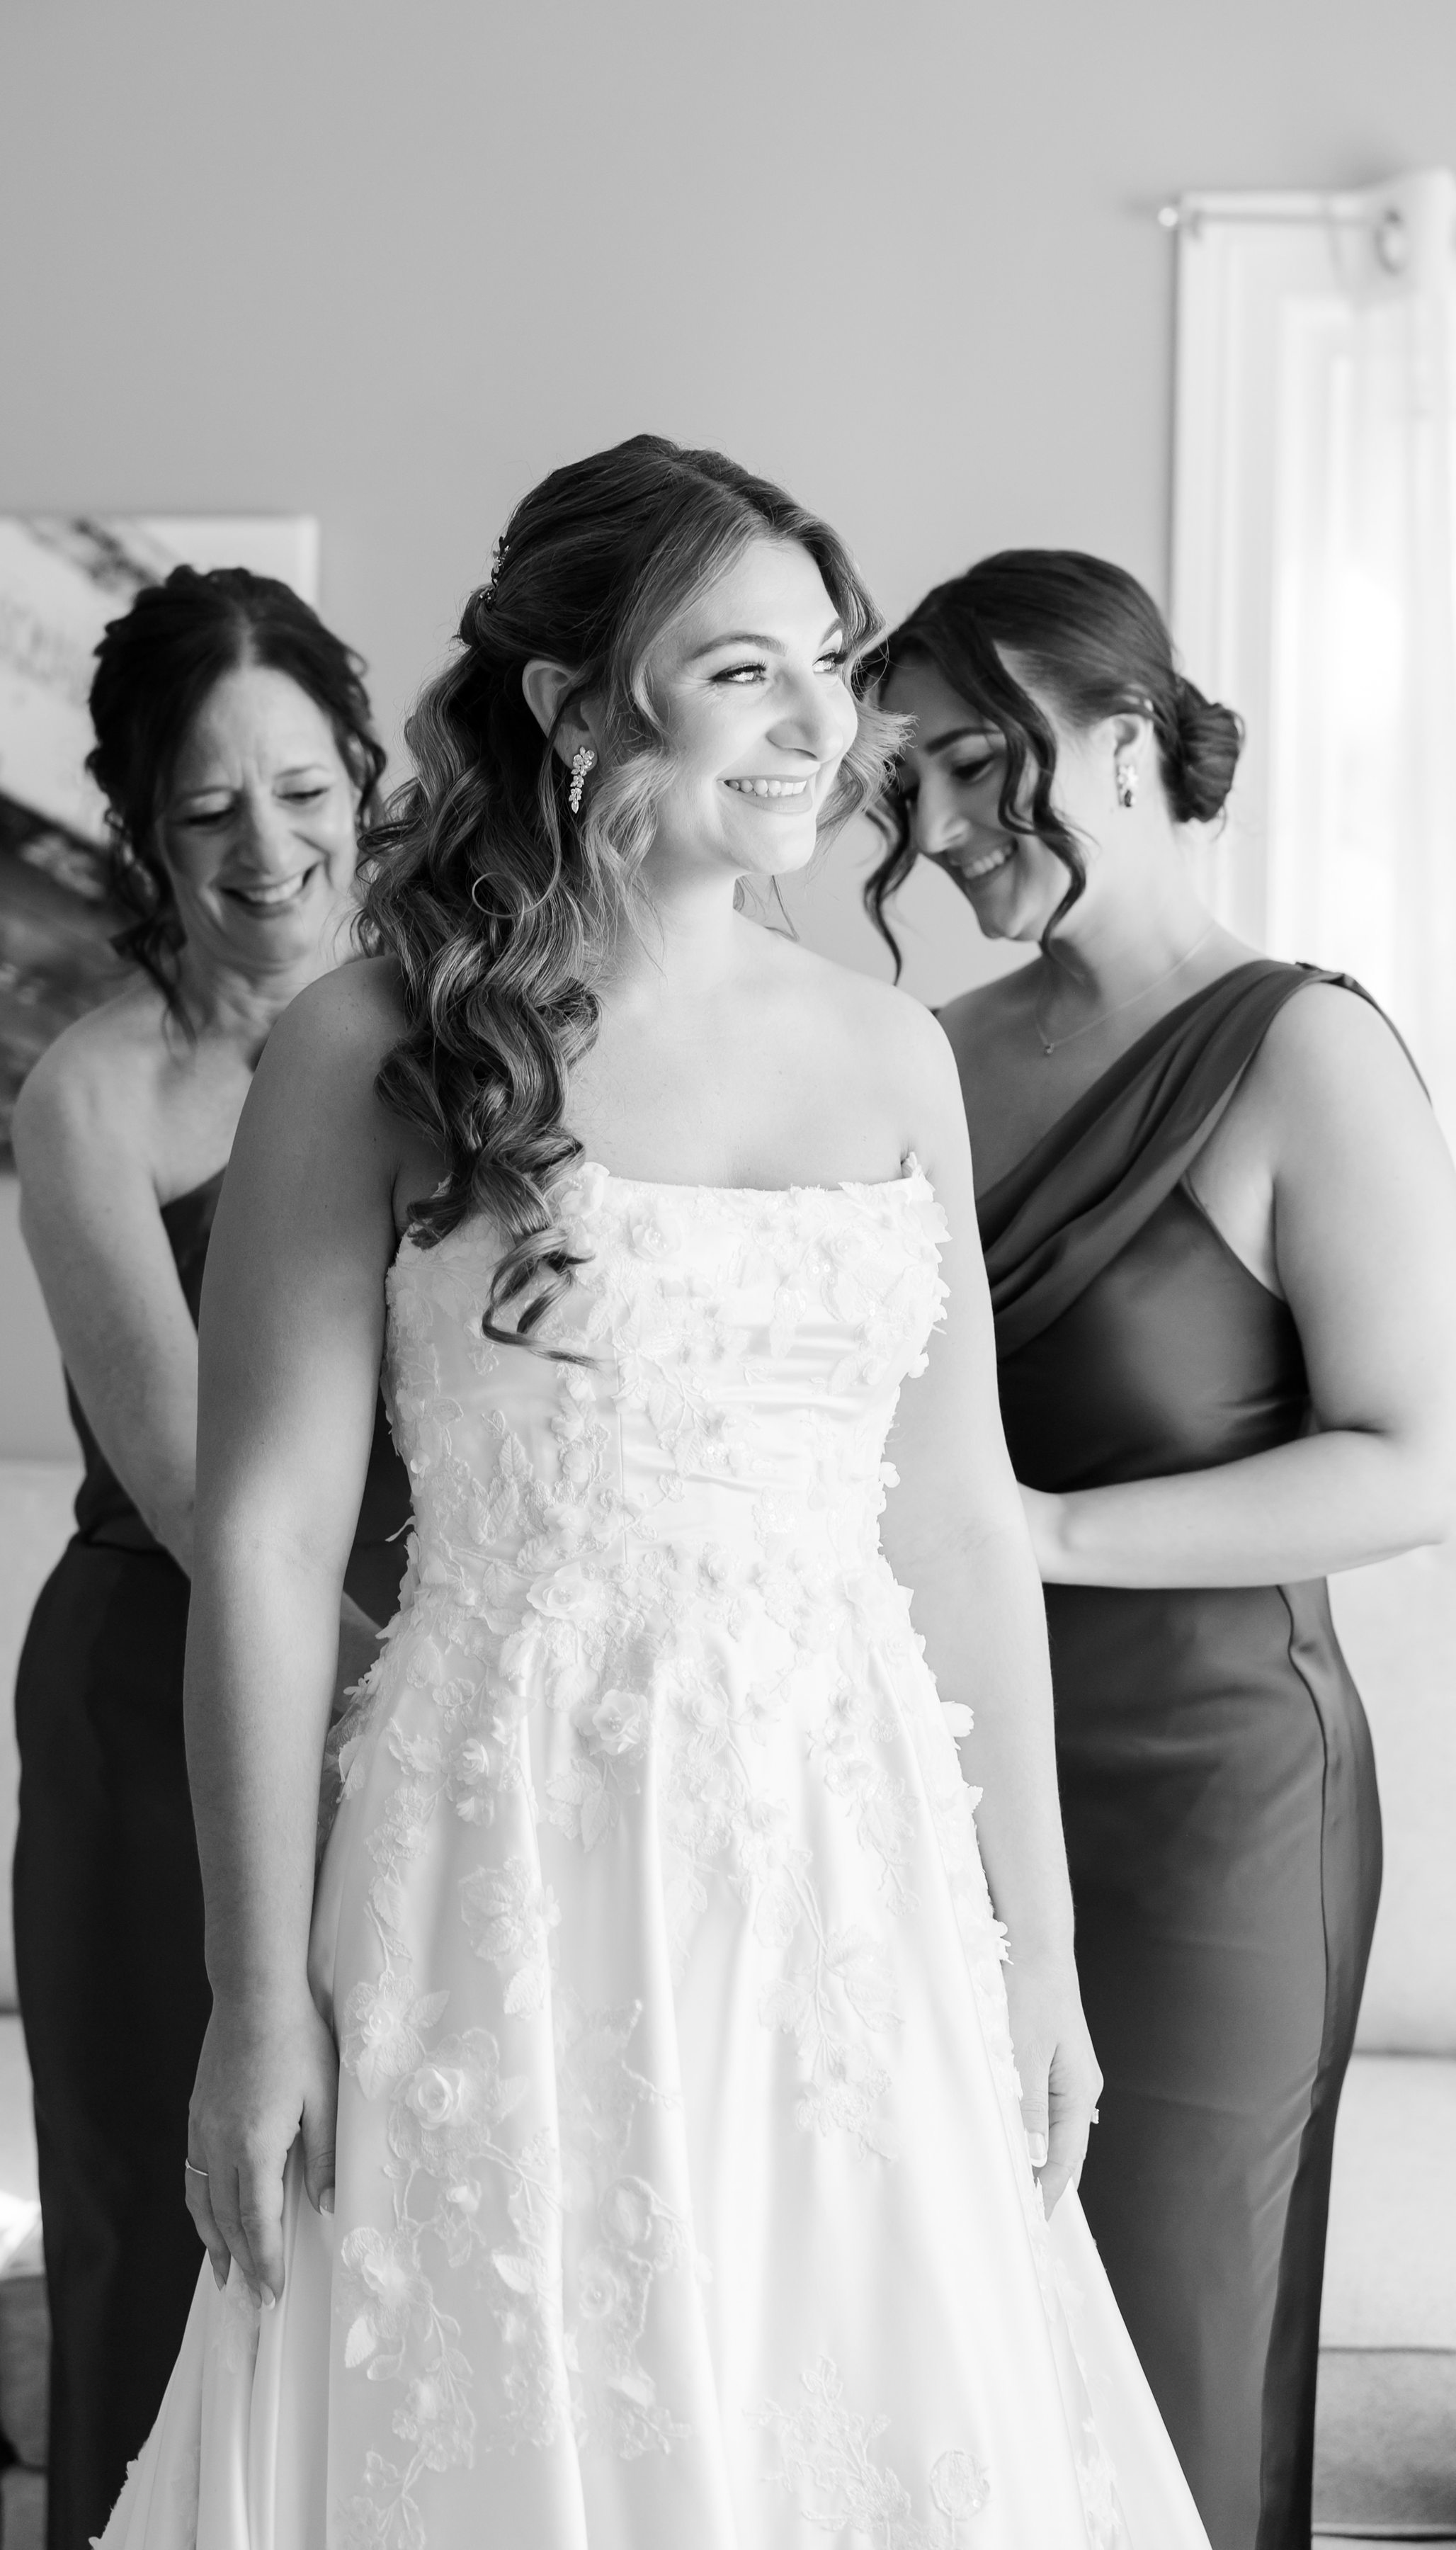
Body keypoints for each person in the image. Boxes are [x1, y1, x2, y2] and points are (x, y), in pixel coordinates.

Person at [100, 440, 1211, 2550]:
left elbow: (956, 1517)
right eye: (742, 673)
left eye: (833, 663)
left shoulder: (892, 1052)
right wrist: (257, 2000)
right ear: (574, 702)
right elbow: (255, 1540)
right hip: (507, 1848)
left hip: (846, 1868)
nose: (823, 727)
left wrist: (1035, 1953)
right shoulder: (367, 1047)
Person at [865, 550, 1456, 2550]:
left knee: (1172, 2340)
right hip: (931, 1787)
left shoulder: (1308, 1053)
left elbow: (1415, 1459)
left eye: (973, 766)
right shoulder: (920, 1060)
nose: (936, 830)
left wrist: (1031, 1534)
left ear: (1125, 742)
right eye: (904, 785)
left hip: (1218, 1798)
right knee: (941, 2356)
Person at [11, 567, 412, 2550]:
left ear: (369, 776)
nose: (271, 849)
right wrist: (437, 1704)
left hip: (440, 1677)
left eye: (306, 788)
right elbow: (201, 1490)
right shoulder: (92, 1096)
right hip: (162, 1701)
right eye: (205, 809)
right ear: (142, 832)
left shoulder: (465, 1034)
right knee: (164, 2231)